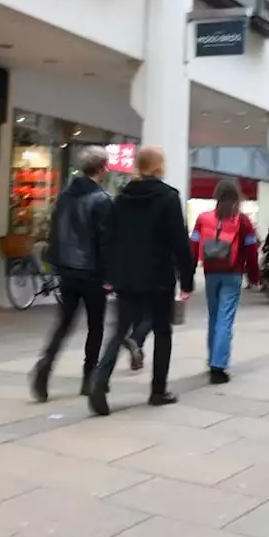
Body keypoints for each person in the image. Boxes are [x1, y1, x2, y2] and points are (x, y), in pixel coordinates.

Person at [88, 146, 194, 416]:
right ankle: (158, 391)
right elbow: (179, 243)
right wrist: (187, 280)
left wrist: (110, 273)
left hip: (127, 276)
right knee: (162, 332)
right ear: (159, 166)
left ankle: (100, 379)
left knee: (119, 331)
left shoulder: (122, 197)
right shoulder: (169, 197)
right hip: (159, 277)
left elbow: (108, 238)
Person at [30, 146, 114, 402]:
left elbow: (56, 232)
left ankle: (46, 364)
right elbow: (105, 241)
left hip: (67, 269)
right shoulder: (102, 200)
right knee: (95, 326)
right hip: (92, 272)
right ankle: (89, 377)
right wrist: (110, 274)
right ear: (102, 169)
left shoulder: (65, 195)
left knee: (64, 323)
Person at [190, 180, 261, 384]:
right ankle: (218, 365)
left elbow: (194, 246)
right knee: (225, 318)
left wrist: (189, 272)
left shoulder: (204, 219)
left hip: (211, 273)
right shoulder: (242, 221)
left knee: (214, 317)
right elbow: (251, 251)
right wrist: (254, 276)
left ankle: (212, 357)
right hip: (233, 273)